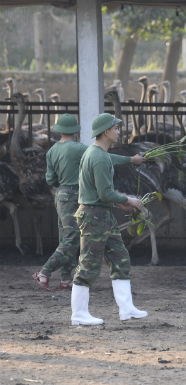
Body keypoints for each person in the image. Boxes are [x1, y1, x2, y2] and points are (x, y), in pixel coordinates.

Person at [32, 114, 146, 291]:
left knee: (66, 238)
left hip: (60, 195)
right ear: (75, 130)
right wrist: (131, 160)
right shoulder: (79, 148)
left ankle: (65, 278)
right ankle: (44, 272)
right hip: (77, 196)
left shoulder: (52, 150)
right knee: (71, 241)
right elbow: (106, 158)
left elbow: (50, 179)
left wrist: (63, 182)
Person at [70, 113, 147, 326]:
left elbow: (103, 194)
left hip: (102, 214)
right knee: (88, 264)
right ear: (106, 132)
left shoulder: (95, 153)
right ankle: (79, 314)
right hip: (95, 216)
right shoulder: (99, 156)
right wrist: (129, 200)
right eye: (116, 128)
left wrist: (118, 202)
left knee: (120, 258)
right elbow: (105, 194)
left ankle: (127, 309)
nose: (119, 131)